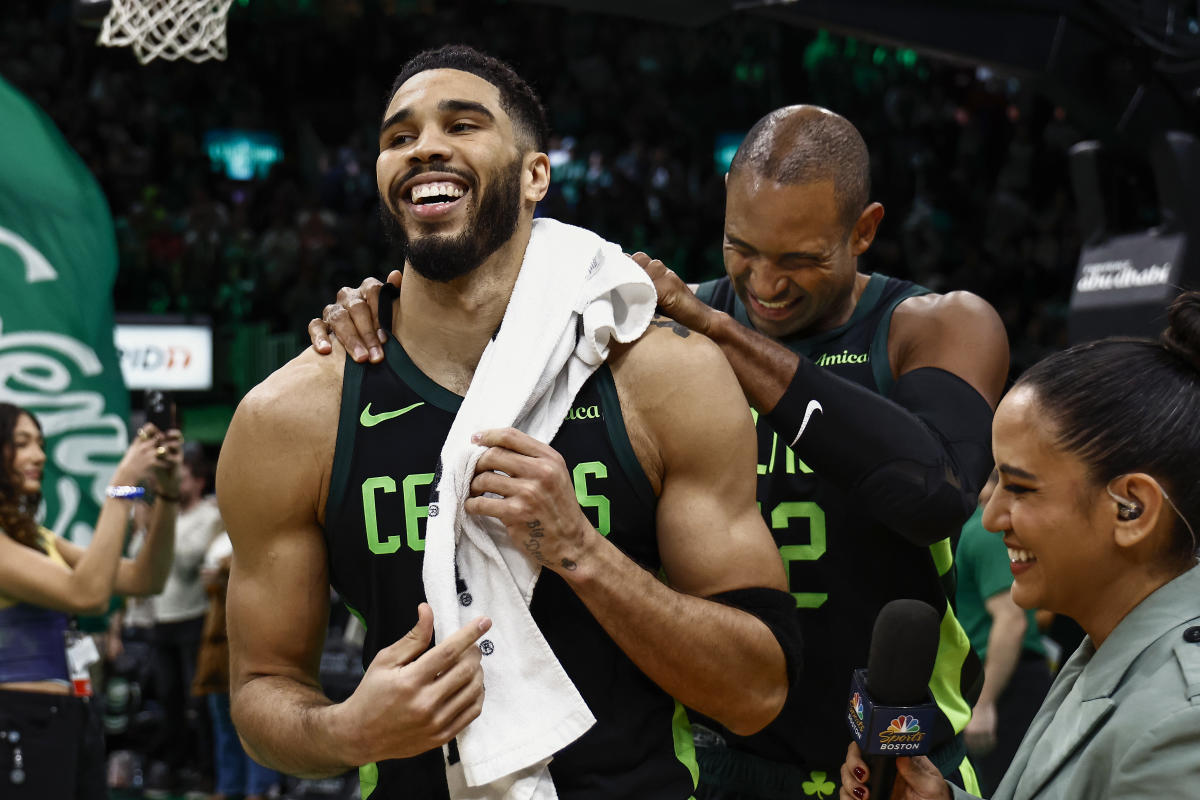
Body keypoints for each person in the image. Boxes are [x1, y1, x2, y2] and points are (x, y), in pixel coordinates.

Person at [311, 103, 1009, 795]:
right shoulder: (665, 345)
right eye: (743, 250)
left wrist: (719, 329)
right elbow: (481, 320)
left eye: (800, 260)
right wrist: (384, 305)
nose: (765, 284)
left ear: (865, 230)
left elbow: (933, 494)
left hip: (900, 761)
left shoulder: (933, 326)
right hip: (718, 756)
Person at [218, 45, 799, 800]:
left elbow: (754, 692)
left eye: (462, 125)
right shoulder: (291, 416)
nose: (424, 145)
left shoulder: (660, 377)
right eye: (399, 137)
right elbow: (262, 688)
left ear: (535, 176)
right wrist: (350, 731)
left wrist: (579, 549)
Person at [839, 289, 1200, 800]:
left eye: (1021, 488)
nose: (990, 518)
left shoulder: (1182, 720)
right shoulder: (1116, 650)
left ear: (1132, 508)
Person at [0, 403, 181, 799]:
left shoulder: (36, 536)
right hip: (17, 719)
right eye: (22, 443)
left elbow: (144, 578)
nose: (39, 455)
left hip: (70, 717)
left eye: (41, 444)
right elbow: (89, 595)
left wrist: (167, 494)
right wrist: (122, 485)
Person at [954, 471, 1051, 795]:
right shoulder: (979, 532)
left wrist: (983, 704)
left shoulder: (985, 531)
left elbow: (1012, 620)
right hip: (1006, 679)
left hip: (1007, 685)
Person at [142, 442, 224, 795]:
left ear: (199, 480)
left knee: (200, 703)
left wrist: (160, 527)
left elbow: (190, 562)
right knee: (168, 698)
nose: (177, 484)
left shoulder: (208, 515)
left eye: (183, 477)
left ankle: (206, 771)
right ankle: (175, 767)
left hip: (193, 618)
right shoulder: (163, 516)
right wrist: (149, 527)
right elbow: (139, 561)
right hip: (162, 619)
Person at [192, 530, 280, 800]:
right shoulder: (218, 536)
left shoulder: (264, 532)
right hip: (218, 640)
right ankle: (229, 786)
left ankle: (260, 788)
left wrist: (223, 567)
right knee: (224, 718)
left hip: (257, 635)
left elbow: (265, 565)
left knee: (256, 718)